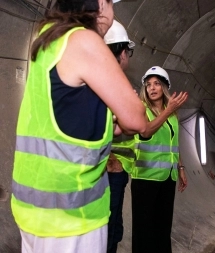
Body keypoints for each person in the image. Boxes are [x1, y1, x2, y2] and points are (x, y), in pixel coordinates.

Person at [11, 0, 147, 252]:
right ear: (97, 5)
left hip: (34, 210)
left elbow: (66, 119)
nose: (112, 11)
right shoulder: (84, 41)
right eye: (109, 3)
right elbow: (137, 118)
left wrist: (109, 127)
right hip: (71, 215)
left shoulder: (48, 40)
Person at [130, 66, 188, 253]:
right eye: (148, 85)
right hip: (145, 178)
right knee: (144, 233)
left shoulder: (172, 115)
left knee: (163, 230)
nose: (152, 88)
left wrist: (180, 168)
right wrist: (168, 110)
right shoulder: (141, 110)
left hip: (167, 178)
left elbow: (174, 144)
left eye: (156, 84)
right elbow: (146, 131)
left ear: (164, 87)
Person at [103, 19, 135, 253]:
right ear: (123, 52)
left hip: (115, 168)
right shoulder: (114, 83)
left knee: (113, 224)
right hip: (111, 168)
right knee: (109, 224)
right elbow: (133, 125)